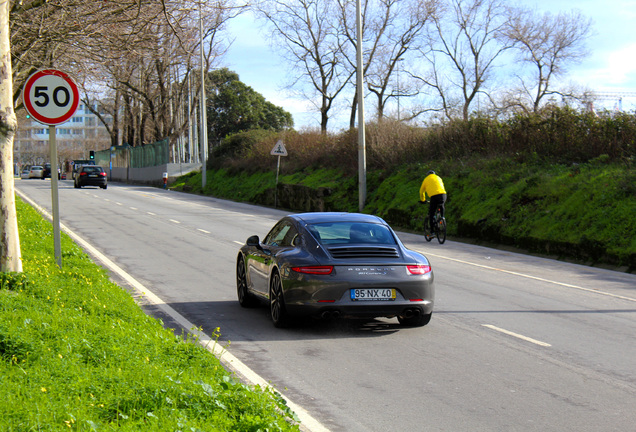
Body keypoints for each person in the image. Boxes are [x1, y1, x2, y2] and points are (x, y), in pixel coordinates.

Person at [419, 170, 447, 234]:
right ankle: (442, 217)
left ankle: (432, 232)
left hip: (434, 197)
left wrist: (423, 200)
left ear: (428, 174)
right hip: (443, 195)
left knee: (432, 213)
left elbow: (421, 192)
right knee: (441, 204)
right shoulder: (439, 177)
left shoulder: (426, 179)